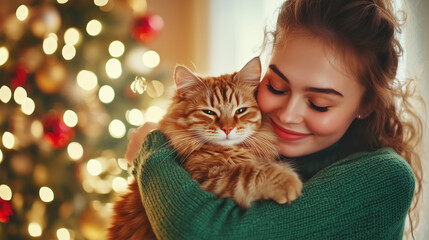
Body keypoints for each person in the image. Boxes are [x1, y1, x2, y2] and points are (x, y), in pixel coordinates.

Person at [125, 0, 424, 239]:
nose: (287, 115)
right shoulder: (257, 140)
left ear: (366, 104)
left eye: (319, 104)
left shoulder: (385, 178)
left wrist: (153, 153)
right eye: (276, 86)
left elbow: (201, 232)